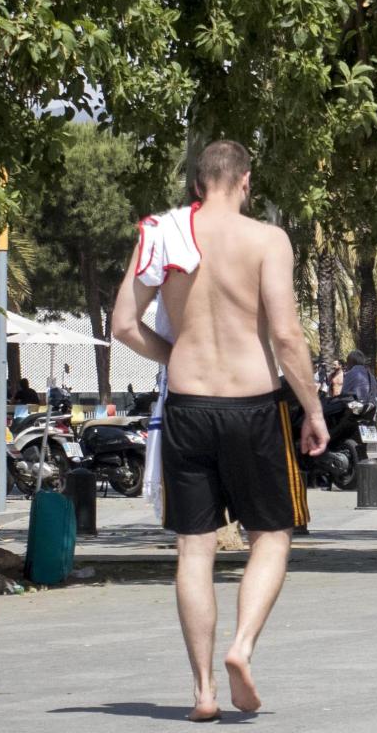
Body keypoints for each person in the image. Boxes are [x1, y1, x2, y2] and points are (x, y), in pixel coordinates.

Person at [112, 139, 329, 721]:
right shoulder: (266, 240)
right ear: (245, 182)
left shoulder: (163, 233)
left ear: (199, 183)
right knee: (272, 535)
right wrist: (311, 409)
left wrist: (175, 353)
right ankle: (242, 647)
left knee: (194, 549)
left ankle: (203, 691)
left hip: (187, 403)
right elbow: (286, 336)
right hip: (252, 404)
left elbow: (123, 325)